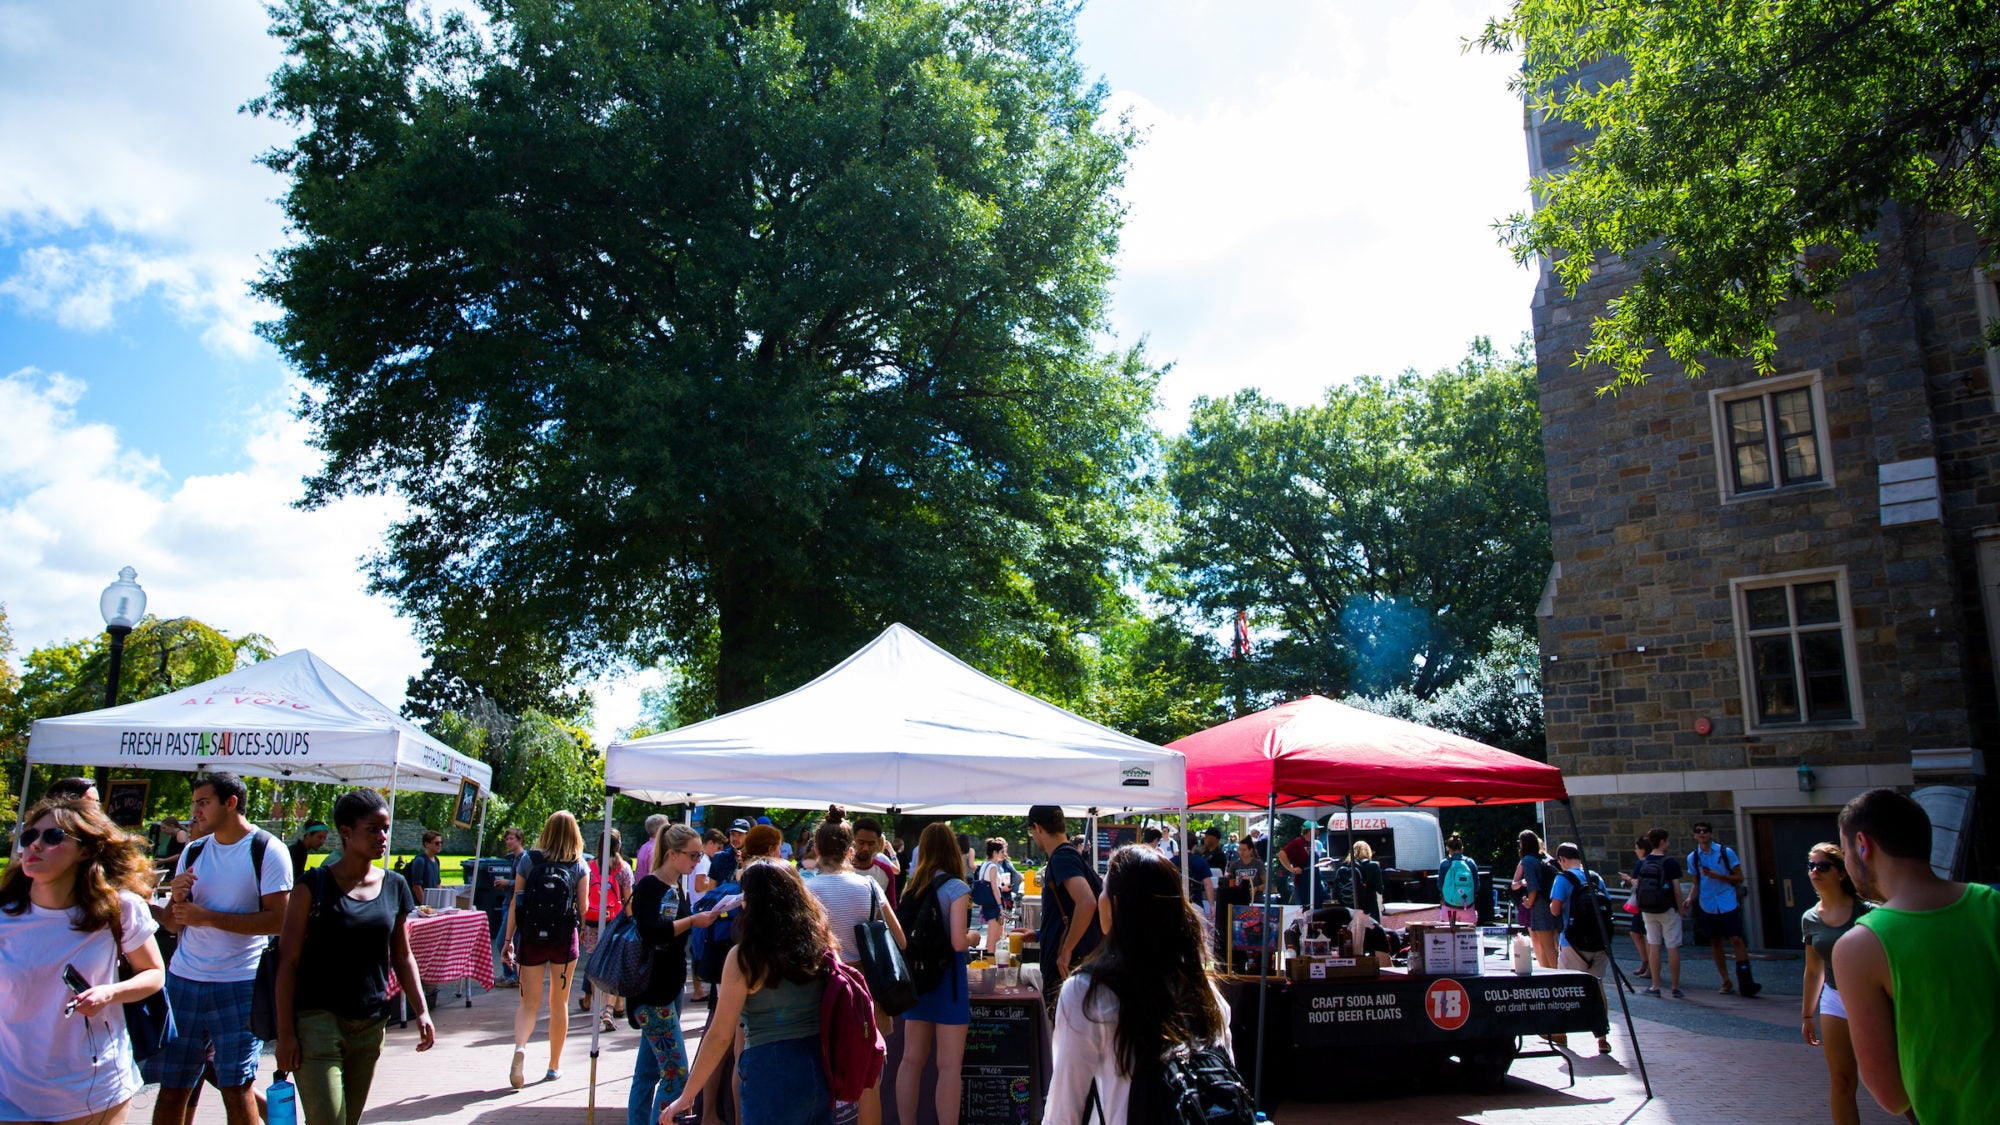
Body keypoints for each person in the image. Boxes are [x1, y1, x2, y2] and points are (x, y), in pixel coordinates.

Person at [1833, 787, 2000, 1122]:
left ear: (1863, 845)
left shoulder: (1858, 947)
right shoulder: (1992, 903)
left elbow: (1889, 1092)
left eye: (1844, 850)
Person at [0, 796, 168, 1125]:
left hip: (95, 1090)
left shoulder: (121, 908)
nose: (35, 846)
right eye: (28, 836)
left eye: (52, 837)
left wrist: (111, 992)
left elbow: (153, 973)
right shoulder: (5, 916)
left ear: (86, 850)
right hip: (12, 1093)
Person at [274, 789, 434, 1125]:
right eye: (372, 829)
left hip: (370, 1024)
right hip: (317, 1022)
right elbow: (287, 962)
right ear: (346, 833)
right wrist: (285, 1034)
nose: (383, 837)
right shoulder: (312, 885)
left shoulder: (395, 885)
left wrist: (422, 1011)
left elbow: (402, 956)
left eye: (386, 828)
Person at [1045, 846, 1233, 1124]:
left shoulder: (1088, 994)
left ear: (1117, 905)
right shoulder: (1206, 993)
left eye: (1104, 888)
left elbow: (1064, 1111)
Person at [155, 771, 295, 1125]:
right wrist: (176, 899)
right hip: (183, 981)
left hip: (240, 984)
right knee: (173, 1086)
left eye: (203, 803)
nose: (195, 812)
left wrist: (208, 917)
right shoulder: (194, 849)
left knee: (236, 1087)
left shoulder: (267, 850)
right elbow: (173, 924)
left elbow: (280, 921)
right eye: (194, 804)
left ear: (230, 803)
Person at [662, 860, 837, 1125]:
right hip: (818, 1061)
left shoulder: (745, 957)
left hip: (769, 1065)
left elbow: (720, 1035)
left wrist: (687, 1096)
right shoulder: (820, 946)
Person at [803, 817, 905, 1125]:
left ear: (817, 848)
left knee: (820, 1079)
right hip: (862, 994)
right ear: (850, 850)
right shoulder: (870, 886)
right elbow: (899, 939)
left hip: (817, 992)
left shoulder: (805, 888)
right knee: (867, 1081)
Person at [627, 825, 720, 1125]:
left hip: (668, 990)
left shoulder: (675, 885)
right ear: (672, 853)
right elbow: (652, 933)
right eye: (693, 855)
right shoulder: (650, 887)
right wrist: (693, 920)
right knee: (676, 1073)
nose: (697, 862)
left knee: (648, 1072)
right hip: (652, 993)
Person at [501, 810, 591, 1088]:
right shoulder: (579, 865)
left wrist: (508, 941)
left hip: (531, 938)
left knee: (528, 1003)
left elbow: (518, 901)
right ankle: (553, 1066)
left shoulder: (529, 860)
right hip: (564, 940)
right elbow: (584, 909)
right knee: (559, 1002)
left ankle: (520, 1048)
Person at [895, 822, 973, 1125]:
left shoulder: (911, 888)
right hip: (948, 982)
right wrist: (974, 939)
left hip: (916, 981)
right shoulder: (956, 887)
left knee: (911, 1060)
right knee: (950, 1066)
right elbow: (957, 942)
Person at [1800, 841, 1870, 1125]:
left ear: (1841, 873)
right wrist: (1807, 1014)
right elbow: (1814, 969)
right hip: (1835, 997)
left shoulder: (1866, 911)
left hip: (1870, 997)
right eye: (1811, 866)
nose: (1815, 871)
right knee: (1841, 1080)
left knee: (1894, 1078)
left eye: (1823, 866)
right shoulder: (1810, 918)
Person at [1027, 805, 1102, 1015]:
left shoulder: (1062, 857)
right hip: (1076, 967)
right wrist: (1040, 934)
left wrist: (1066, 949)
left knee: (1066, 1040)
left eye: (1031, 831)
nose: (1033, 836)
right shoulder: (1069, 855)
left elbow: (1086, 902)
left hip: (1067, 970)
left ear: (1038, 828)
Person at [1546, 842, 1614, 1055]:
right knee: (1597, 987)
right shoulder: (1596, 877)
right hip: (1598, 942)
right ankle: (1602, 1036)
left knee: (1564, 986)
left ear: (1562, 860)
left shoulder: (1563, 878)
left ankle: (1560, 1031)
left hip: (1572, 943)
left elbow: (1555, 911)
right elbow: (1608, 904)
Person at [1685, 821, 1759, 997]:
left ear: (1711, 834)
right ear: (1695, 835)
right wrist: (1690, 898)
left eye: (1705, 831)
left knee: (1736, 938)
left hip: (1726, 900)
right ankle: (1725, 980)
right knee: (1715, 941)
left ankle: (1745, 980)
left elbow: (1739, 877)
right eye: (1698, 831)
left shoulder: (1725, 853)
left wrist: (1717, 875)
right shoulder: (1693, 857)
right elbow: (1697, 882)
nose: (1702, 834)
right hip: (1708, 902)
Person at [582, 827, 636, 1031]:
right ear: (619, 845)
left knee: (596, 967)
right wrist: (631, 922)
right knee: (613, 967)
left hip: (593, 923)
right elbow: (628, 900)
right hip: (615, 923)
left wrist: (582, 923)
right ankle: (608, 1009)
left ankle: (597, 1009)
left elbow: (585, 897)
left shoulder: (591, 867)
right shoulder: (623, 868)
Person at [1632, 827, 1685, 998]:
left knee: (1654, 945)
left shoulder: (1643, 863)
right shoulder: (1670, 863)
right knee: (1672, 946)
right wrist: (1680, 908)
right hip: (1667, 908)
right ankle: (1675, 987)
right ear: (1662, 842)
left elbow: (1639, 886)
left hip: (1648, 909)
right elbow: (1677, 890)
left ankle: (1655, 986)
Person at [1512, 829, 1560, 969]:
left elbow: (1533, 887)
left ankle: (1554, 978)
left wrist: (1529, 902)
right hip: (1553, 903)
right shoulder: (1546, 858)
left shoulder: (1528, 860)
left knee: (1547, 947)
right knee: (1555, 945)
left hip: (1540, 906)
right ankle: (1553, 974)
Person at [491, 826, 528, 988]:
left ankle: (514, 974)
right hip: (508, 902)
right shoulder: (513, 858)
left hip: (516, 905)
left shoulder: (524, 859)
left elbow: (525, 884)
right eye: (506, 839)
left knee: (503, 941)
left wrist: (508, 883)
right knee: (509, 941)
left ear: (520, 840)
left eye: (511, 838)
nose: (508, 842)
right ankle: (508, 973)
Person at [1614, 836, 1653, 979]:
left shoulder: (1641, 863)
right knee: (1638, 933)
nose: (1635, 851)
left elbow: (1637, 883)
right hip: (1649, 901)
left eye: (1637, 848)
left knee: (1642, 934)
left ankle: (1648, 965)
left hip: (1642, 902)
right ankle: (1646, 963)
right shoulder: (1652, 862)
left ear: (1643, 849)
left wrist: (1628, 879)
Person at [851, 816, 900, 912]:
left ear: (878, 843)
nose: (865, 848)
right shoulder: (840, 869)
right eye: (861, 842)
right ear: (853, 840)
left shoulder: (885, 870)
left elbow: (890, 908)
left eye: (871, 843)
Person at [973, 838, 1010, 951]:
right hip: (993, 904)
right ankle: (991, 960)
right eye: (1002, 852)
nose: (1004, 854)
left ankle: (992, 959)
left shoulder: (985, 865)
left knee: (996, 935)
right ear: (995, 853)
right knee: (993, 939)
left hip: (986, 903)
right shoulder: (993, 867)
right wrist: (1000, 906)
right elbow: (994, 888)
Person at [1438, 833, 1480, 925]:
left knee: (1447, 937)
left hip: (1449, 907)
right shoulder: (1470, 863)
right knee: (1469, 937)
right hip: (1468, 907)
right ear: (1462, 848)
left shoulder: (1444, 864)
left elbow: (1440, 885)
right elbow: (1477, 886)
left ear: (1448, 848)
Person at [1341, 840, 1385, 920]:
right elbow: (1380, 889)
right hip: (1369, 906)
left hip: (1352, 905)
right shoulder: (1373, 866)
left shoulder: (1347, 867)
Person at [1278, 821, 1318, 906]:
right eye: (1317, 829)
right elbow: (1281, 854)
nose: (1318, 832)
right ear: (1310, 831)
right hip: (1302, 882)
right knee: (1303, 908)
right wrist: (1291, 868)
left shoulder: (1313, 843)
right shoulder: (1298, 842)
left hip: (1315, 881)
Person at [404, 830, 444, 899]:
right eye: (437, 843)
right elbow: (416, 886)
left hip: (433, 901)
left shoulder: (436, 860)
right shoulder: (420, 861)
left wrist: (440, 900)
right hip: (420, 905)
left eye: (441, 843)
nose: (440, 845)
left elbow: (438, 883)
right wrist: (425, 904)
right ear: (427, 844)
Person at [709, 820, 749, 886]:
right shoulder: (719, 858)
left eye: (739, 835)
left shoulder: (753, 859)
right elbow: (711, 887)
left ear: (747, 836)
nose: (735, 838)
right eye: (733, 834)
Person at [633, 814, 669, 884]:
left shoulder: (644, 847)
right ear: (659, 829)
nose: (670, 830)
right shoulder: (656, 849)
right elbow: (655, 877)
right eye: (667, 827)